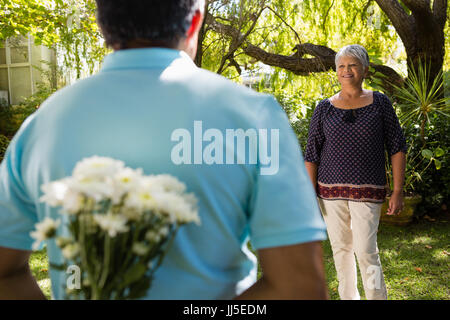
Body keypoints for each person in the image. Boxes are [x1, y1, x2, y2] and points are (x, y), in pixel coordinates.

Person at [0, 0, 328, 299]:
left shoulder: (42, 125)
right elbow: (298, 286)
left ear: (101, 23)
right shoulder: (253, 116)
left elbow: (5, 272)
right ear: (194, 21)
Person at [304, 44, 407, 300]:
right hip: (329, 193)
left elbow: (397, 147)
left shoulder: (380, 103)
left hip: (368, 191)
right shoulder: (323, 108)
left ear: (365, 70)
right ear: (336, 71)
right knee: (340, 249)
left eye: (352, 65)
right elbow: (311, 154)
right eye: (341, 66)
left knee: (366, 250)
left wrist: (397, 190)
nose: (346, 70)